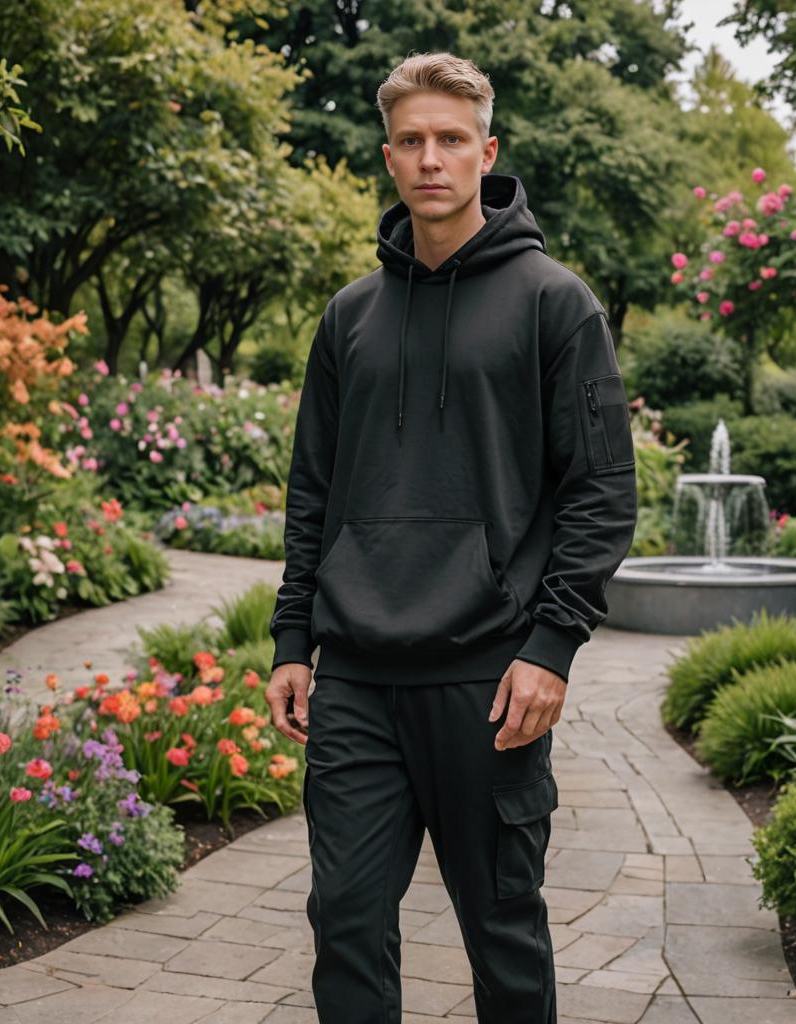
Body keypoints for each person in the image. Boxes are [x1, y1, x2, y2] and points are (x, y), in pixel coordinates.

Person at [265, 50, 638, 1024]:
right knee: (344, 919)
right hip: (353, 676)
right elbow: (313, 491)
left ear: (487, 152)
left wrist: (551, 646)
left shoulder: (556, 303)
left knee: (501, 926)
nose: (431, 157)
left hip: (488, 678)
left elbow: (601, 489)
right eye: (412, 140)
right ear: (387, 157)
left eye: (451, 139)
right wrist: (291, 639)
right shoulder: (349, 316)